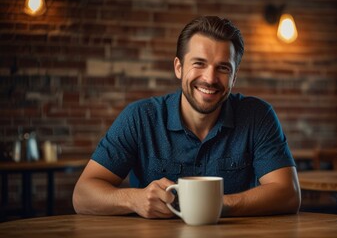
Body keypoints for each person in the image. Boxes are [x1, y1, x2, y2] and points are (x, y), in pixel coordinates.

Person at [73, 16, 301, 218]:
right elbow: (83, 195)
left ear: (234, 76)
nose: (210, 78)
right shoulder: (140, 117)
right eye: (199, 64)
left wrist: (214, 206)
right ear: (178, 68)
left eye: (223, 68)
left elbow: (288, 193)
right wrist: (134, 199)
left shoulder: (257, 116)